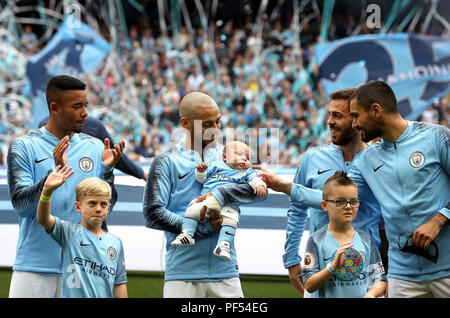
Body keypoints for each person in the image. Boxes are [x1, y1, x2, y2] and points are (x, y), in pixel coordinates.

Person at [261, 80, 450, 298]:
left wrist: (440, 218)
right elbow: (337, 197)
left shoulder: (436, 137)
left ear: (376, 111)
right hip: (402, 275)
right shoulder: (366, 159)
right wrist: (286, 187)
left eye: (356, 116)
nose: (355, 124)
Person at [256, 88, 383, 296]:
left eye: (337, 115)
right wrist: (291, 257)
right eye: (329, 114)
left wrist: (285, 187)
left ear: (356, 119)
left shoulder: (378, 160)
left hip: (365, 274)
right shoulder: (312, 158)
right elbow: (297, 211)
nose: (329, 122)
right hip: (320, 269)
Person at [7, 75, 124, 298]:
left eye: (85, 105)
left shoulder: (96, 147)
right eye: (77, 106)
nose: (85, 113)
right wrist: (53, 174)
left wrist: (108, 173)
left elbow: (106, 208)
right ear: (55, 108)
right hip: (35, 267)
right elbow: (21, 206)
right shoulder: (24, 146)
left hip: (83, 269)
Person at [143, 92, 263, 298]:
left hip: (226, 271)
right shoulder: (165, 161)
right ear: (185, 123)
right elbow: (152, 214)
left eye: (218, 121)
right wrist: (204, 227)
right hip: (181, 274)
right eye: (207, 124)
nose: (215, 129)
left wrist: (220, 194)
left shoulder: (231, 156)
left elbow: (256, 191)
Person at [37, 167, 128, 297]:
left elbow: (119, 283)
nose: (98, 209)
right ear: (78, 207)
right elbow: (43, 219)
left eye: (103, 204)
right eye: (92, 203)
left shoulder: (115, 243)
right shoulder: (69, 232)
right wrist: (46, 191)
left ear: (108, 208)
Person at [171, 140, 267, 261]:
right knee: (192, 208)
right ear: (225, 157)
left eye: (248, 158)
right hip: (205, 200)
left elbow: (255, 180)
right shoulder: (216, 165)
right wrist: (200, 171)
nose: (244, 159)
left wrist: (260, 186)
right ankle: (187, 234)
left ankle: (224, 245)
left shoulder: (247, 172)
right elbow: (202, 179)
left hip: (229, 205)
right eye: (239, 154)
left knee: (232, 220)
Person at [302, 171, 386, 298]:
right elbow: (309, 285)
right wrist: (332, 267)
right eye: (340, 202)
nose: (348, 207)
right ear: (325, 205)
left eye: (353, 201)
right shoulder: (316, 240)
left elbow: (380, 280)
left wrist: (371, 294)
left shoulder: (366, 239)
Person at [39, 115, 148, 181]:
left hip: (89, 195)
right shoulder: (44, 128)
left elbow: (113, 156)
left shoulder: (93, 125)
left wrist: (140, 173)